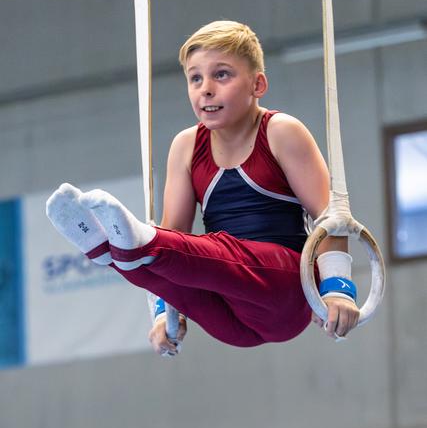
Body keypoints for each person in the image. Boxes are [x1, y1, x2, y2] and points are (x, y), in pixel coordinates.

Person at [46, 21, 359, 356]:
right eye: (195, 78)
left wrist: (337, 288)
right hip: (228, 318)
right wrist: (163, 313)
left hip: (285, 293)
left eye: (221, 75)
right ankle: (107, 252)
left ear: (258, 84)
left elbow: (331, 219)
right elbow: (177, 241)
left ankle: (134, 242)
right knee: (168, 264)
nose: (205, 89)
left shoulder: (281, 132)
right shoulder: (186, 146)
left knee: (205, 249)